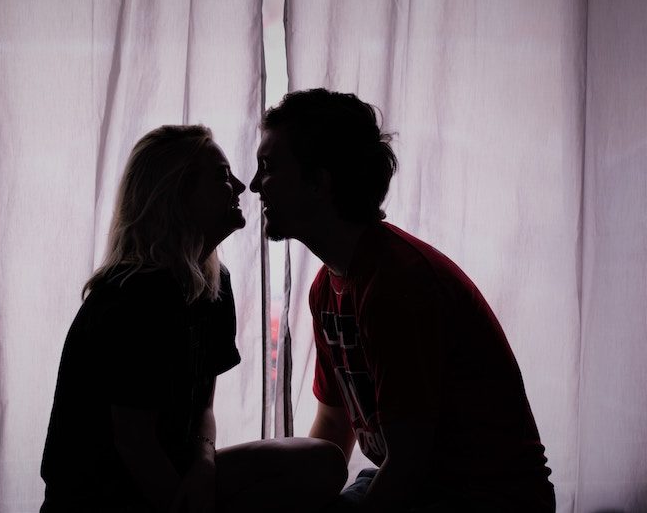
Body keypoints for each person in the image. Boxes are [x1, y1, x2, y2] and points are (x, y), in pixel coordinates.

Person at [249, 89, 555, 512]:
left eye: (268, 168)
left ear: (319, 182)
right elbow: (334, 428)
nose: (252, 185)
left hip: (485, 497)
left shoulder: (397, 284)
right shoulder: (327, 287)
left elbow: (409, 465)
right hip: (421, 485)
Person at [40, 125, 346, 512]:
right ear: (176, 195)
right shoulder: (133, 297)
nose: (240, 186)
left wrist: (203, 465)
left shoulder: (214, 284)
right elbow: (134, 442)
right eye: (221, 176)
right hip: (101, 494)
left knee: (322, 463)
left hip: (177, 470)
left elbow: (202, 407)